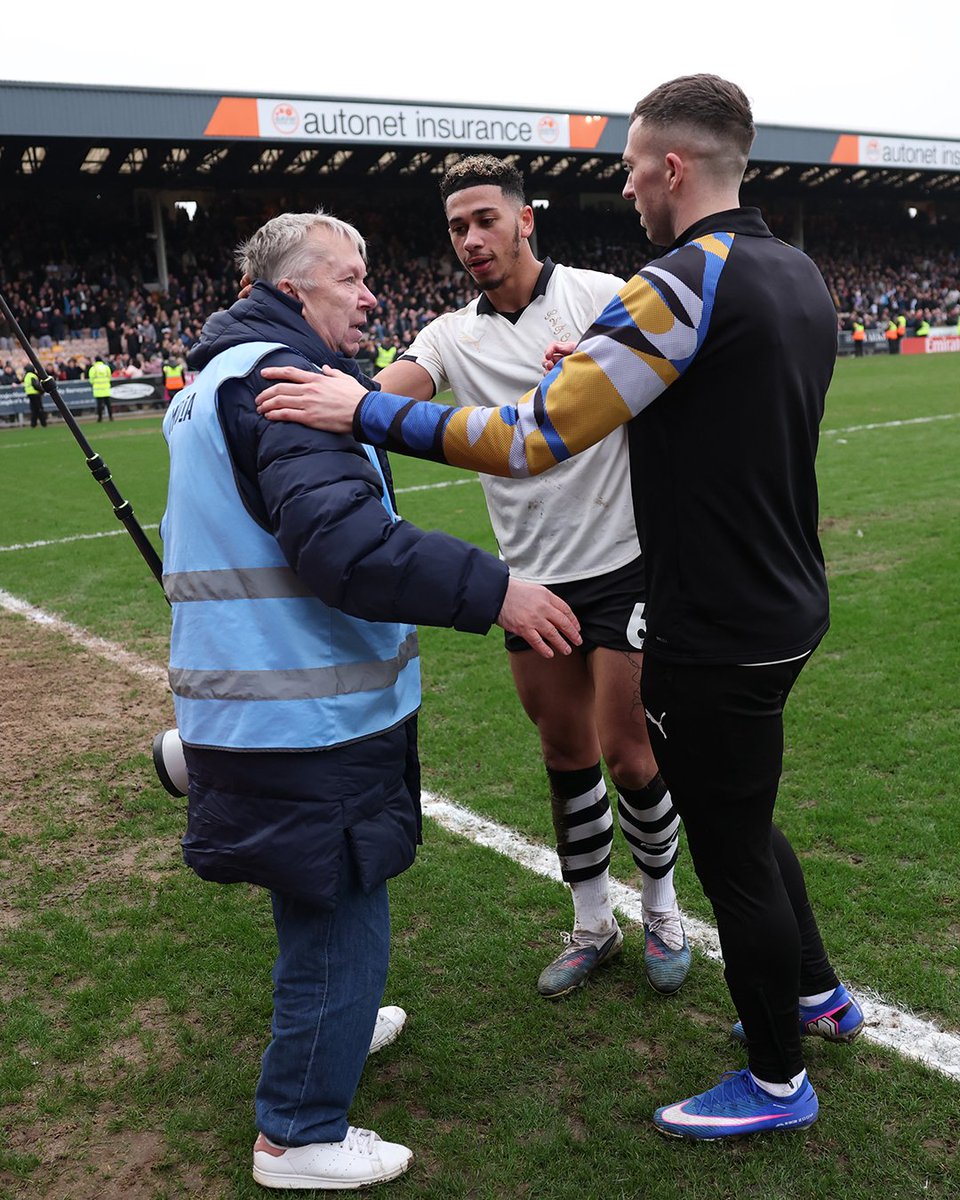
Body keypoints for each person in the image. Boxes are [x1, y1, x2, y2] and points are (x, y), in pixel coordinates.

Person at [256, 75, 865, 1142]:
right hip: (783, 595)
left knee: (725, 845)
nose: (626, 187)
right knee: (741, 819)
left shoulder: (676, 281)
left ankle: (778, 1079)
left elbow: (535, 438)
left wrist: (366, 411)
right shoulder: (792, 269)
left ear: (671, 167)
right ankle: (817, 997)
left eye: (632, 167)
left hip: (709, 617)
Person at [161, 210, 579, 1191]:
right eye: (351, 279)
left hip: (256, 706)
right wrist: (499, 590)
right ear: (298, 291)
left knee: (313, 900)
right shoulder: (286, 385)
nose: (370, 295)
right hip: (307, 717)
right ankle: (298, 1132)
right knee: (342, 903)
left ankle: (331, 1031)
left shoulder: (218, 375)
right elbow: (345, 550)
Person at [256, 154, 690, 999]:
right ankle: (593, 922)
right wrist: (280, 381)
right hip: (528, 579)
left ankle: (663, 908)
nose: (471, 240)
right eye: (457, 227)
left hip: (624, 561)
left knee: (629, 752)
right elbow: (377, 399)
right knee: (565, 751)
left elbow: (673, 385)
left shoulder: (602, 295)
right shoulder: (452, 335)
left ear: (526, 219)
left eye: (486, 219)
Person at [87, 354, 113, 421]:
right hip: (106, 388)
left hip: (97, 389)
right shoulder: (106, 367)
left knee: (99, 405)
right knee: (108, 404)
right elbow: (109, 376)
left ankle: (100, 418)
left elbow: (91, 379)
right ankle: (111, 417)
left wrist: (94, 383)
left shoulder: (93, 368)